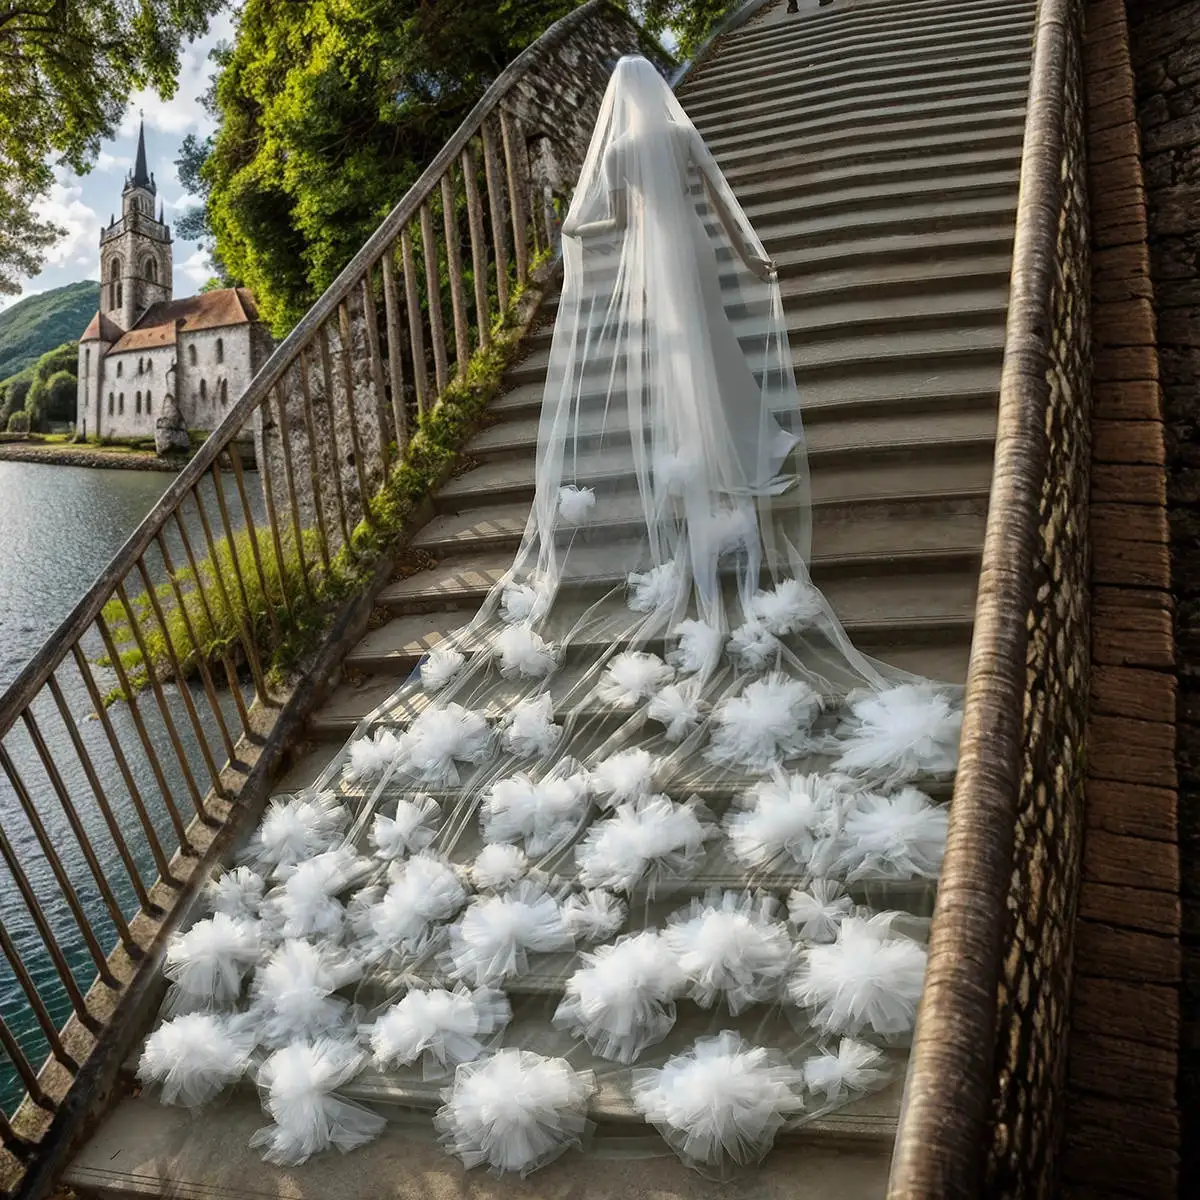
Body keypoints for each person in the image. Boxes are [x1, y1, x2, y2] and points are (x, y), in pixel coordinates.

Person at [142, 55, 964, 1181]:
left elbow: (584, 240)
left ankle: (694, 512)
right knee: (724, 408)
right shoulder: (675, 140)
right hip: (705, 314)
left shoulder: (617, 152)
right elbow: (726, 226)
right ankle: (722, 508)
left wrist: (603, 271)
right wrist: (759, 266)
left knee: (679, 416)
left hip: (646, 332)